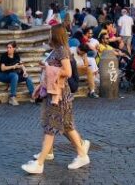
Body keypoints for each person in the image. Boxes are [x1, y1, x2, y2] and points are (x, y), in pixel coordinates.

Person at [22, 24, 90, 175]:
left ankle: (39, 163)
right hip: (54, 93)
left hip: (59, 96)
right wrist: (46, 67)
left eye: (50, 32)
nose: (48, 35)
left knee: (50, 128)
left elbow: (68, 71)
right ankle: (82, 154)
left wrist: (48, 69)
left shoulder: (62, 51)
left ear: (55, 34)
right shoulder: (56, 50)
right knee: (67, 126)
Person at [0, 41, 36, 105]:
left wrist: (25, 72)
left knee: (27, 77)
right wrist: (13, 66)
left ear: (14, 48)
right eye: (7, 47)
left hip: (14, 75)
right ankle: (12, 97)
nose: (8, 49)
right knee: (14, 75)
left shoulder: (16, 55)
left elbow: (21, 65)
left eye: (10, 48)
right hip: (3, 75)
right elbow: (2, 68)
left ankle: (33, 95)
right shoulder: (4, 56)